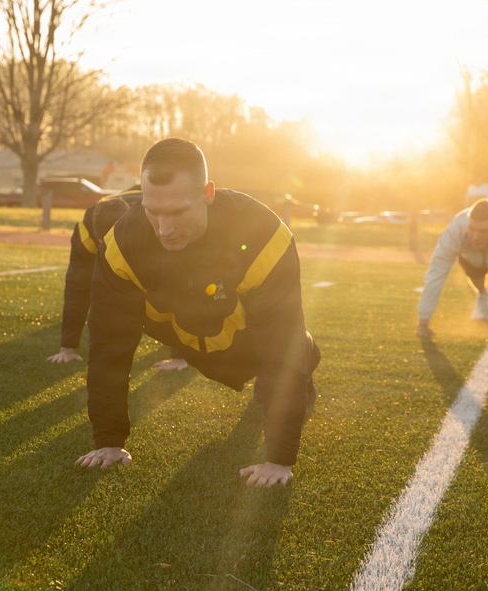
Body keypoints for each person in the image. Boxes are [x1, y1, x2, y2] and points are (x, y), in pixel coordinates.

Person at [77, 138, 320, 487]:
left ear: (208, 193)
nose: (164, 229)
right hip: (181, 329)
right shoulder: (122, 246)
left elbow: (280, 341)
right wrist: (109, 440)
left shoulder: (263, 235)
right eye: (152, 211)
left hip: (241, 334)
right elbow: (108, 345)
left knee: (287, 347)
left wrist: (279, 459)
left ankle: (308, 352)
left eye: (177, 213)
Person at [47, 189, 188, 371]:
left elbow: (175, 288)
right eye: (104, 245)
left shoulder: (154, 226)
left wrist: (180, 357)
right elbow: (76, 288)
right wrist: (67, 348)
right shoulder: (84, 235)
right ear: (96, 237)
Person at [416, 199, 488, 336]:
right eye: (472, 229)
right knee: (475, 271)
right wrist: (423, 322)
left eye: (483, 231)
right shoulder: (457, 228)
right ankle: (482, 295)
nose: (476, 236)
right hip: (471, 257)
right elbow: (436, 273)